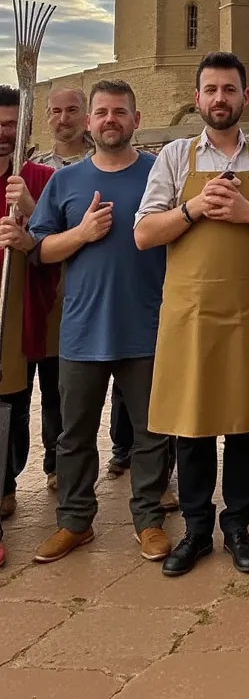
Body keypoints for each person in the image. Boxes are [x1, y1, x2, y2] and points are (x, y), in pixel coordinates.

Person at [135, 51, 249, 578]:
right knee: (193, 423)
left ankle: (239, 525)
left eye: (229, 90)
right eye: (211, 90)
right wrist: (193, 209)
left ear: (245, 97)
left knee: (246, 423)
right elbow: (143, 233)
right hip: (191, 312)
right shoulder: (174, 159)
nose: (220, 99)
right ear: (198, 96)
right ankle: (198, 528)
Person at [26, 81, 171, 564]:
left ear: (135, 118)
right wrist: (82, 234)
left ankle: (148, 520)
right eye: (102, 112)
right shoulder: (63, 184)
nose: (110, 120)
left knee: (151, 434)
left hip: (147, 327)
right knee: (74, 435)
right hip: (83, 329)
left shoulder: (159, 174)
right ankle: (74, 521)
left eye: (120, 112)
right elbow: (41, 250)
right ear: (90, 122)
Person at [26, 87, 92, 493]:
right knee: (52, 385)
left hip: (91, 292)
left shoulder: (101, 163)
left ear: (85, 115)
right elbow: (37, 239)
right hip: (49, 294)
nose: (63, 118)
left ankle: (122, 456)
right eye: (55, 111)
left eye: (71, 110)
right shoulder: (31, 168)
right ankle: (55, 463)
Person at [0, 87, 55, 565]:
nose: (4, 135)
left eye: (12, 126)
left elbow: (60, 244)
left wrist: (32, 214)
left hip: (21, 307)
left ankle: (6, 480)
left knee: (13, 402)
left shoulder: (40, 178)